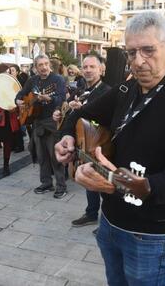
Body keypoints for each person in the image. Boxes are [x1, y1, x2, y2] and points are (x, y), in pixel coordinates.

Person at [55, 11, 165, 285]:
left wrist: (122, 183)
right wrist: (67, 136)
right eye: (131, 53)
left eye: (148, 50)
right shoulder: (126, 91)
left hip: (153, 236)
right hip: (110, 224)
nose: (138, 62)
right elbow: (79, 115)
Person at [54, 55, 111, 227]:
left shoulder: (107, 91)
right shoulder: (80, 90)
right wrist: (60, 111)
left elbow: (107, 121)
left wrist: (84, 110)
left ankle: (107, 222)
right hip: (84, 143)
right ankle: (91, 213)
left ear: (101, 69)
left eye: (92, 67)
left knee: (104, 185)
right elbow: (69, 110)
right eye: (85, 67)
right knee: (88, 180)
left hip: (101, 146)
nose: (87, 70)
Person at [16, 54, 68, 199]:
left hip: (53, 121)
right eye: (41, 65)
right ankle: (46, 183)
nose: (44, 67)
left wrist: (50, 98)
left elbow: (62, 98)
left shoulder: (58, 79)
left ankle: (61, 186)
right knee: (41, 155)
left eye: (46, 64)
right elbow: (21, 94)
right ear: (35, 68)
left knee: (54, 155)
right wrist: (18, 101)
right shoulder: (32, 80)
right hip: (37, 122)